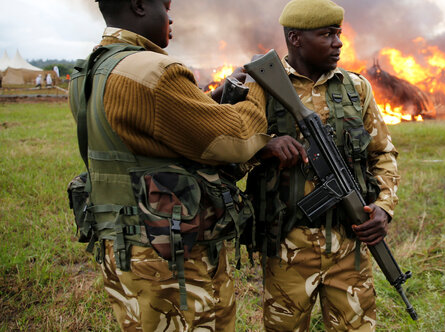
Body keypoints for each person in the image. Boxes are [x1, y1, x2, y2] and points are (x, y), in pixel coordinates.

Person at [67, 0, 270, 330]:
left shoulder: (87, 71)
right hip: (169, 257)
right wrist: (259, 87)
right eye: (165, 5)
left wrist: (219, 93)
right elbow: (235, 140)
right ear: (138, 5)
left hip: (119, 245)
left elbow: (152, 133)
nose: (171, 17)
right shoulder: (154, 72)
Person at [247, 0, 400, 330]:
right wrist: (264, 148)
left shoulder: (356, 88)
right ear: (295, 38)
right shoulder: (260, 86)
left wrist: (383, 209)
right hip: (288, 248)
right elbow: (228, 155)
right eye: (326, 34)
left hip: (350, 246)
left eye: (339, 33)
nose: (338, 42)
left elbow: (383, 154)